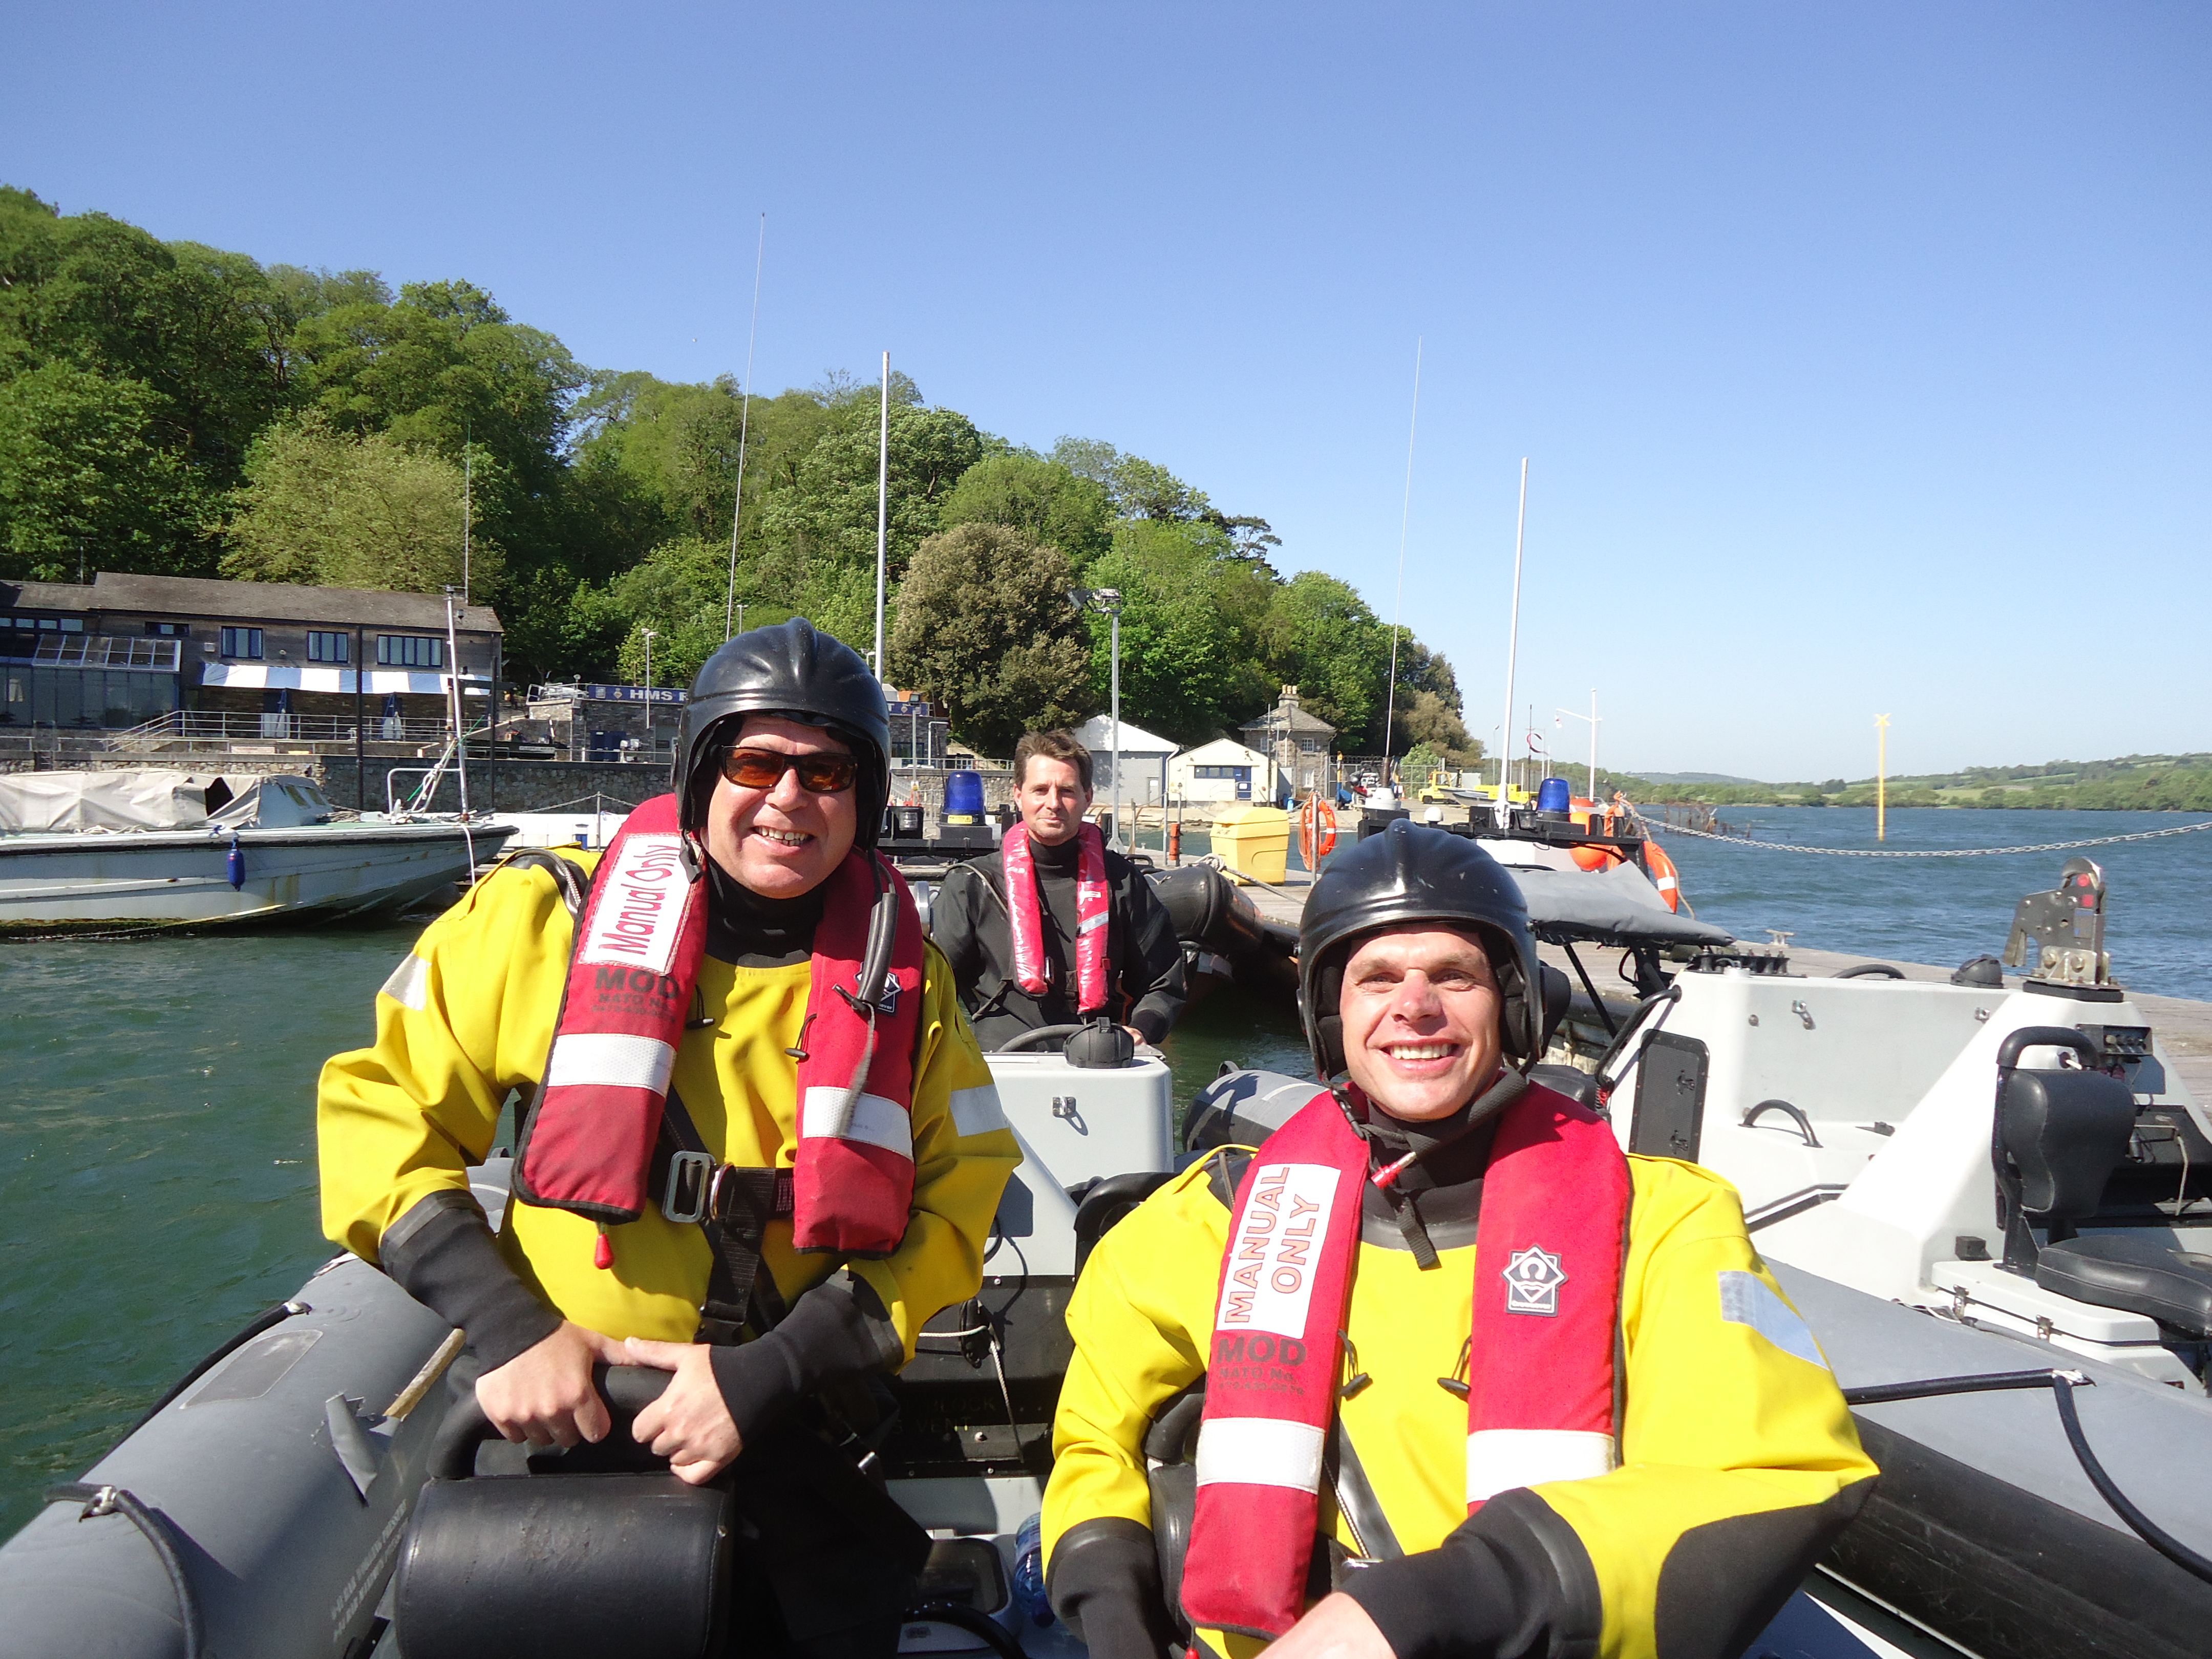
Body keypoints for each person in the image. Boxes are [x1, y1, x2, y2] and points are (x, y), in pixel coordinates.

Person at [320, 619, 1019, 1658]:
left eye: (827, 771)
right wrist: (510, 1330)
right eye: (755, 763)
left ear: (866, 797)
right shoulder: (538, 920)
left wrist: (776, 1369)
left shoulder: (909, 978)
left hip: (792, 1427)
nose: (789, 798)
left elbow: (964, 1191)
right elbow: (378, 1115)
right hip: (562, 1426)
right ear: (699, 771)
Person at [1041, 821, 1877, 1659]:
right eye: (1377, 979)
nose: (1415, 1006)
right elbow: (1094, 1435)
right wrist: (1107, 1597)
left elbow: (1775, 1473)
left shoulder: (1665, 1227)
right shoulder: (1212, 1216)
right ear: (1329, 1014)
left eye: (1454, 976)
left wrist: (1432, 1604)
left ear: (1515, 1004)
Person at [932, 728, 1187, 1052]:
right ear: (1018, 795)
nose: (1053, 804)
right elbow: (933, 990)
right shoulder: (970, 884)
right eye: (1040, 790)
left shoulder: (1123, 882)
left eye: (1067, 791)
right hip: (1000, 1064)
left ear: (1087, 797)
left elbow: (1163, 981)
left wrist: (1142, 1029)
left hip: (1098, 1059)